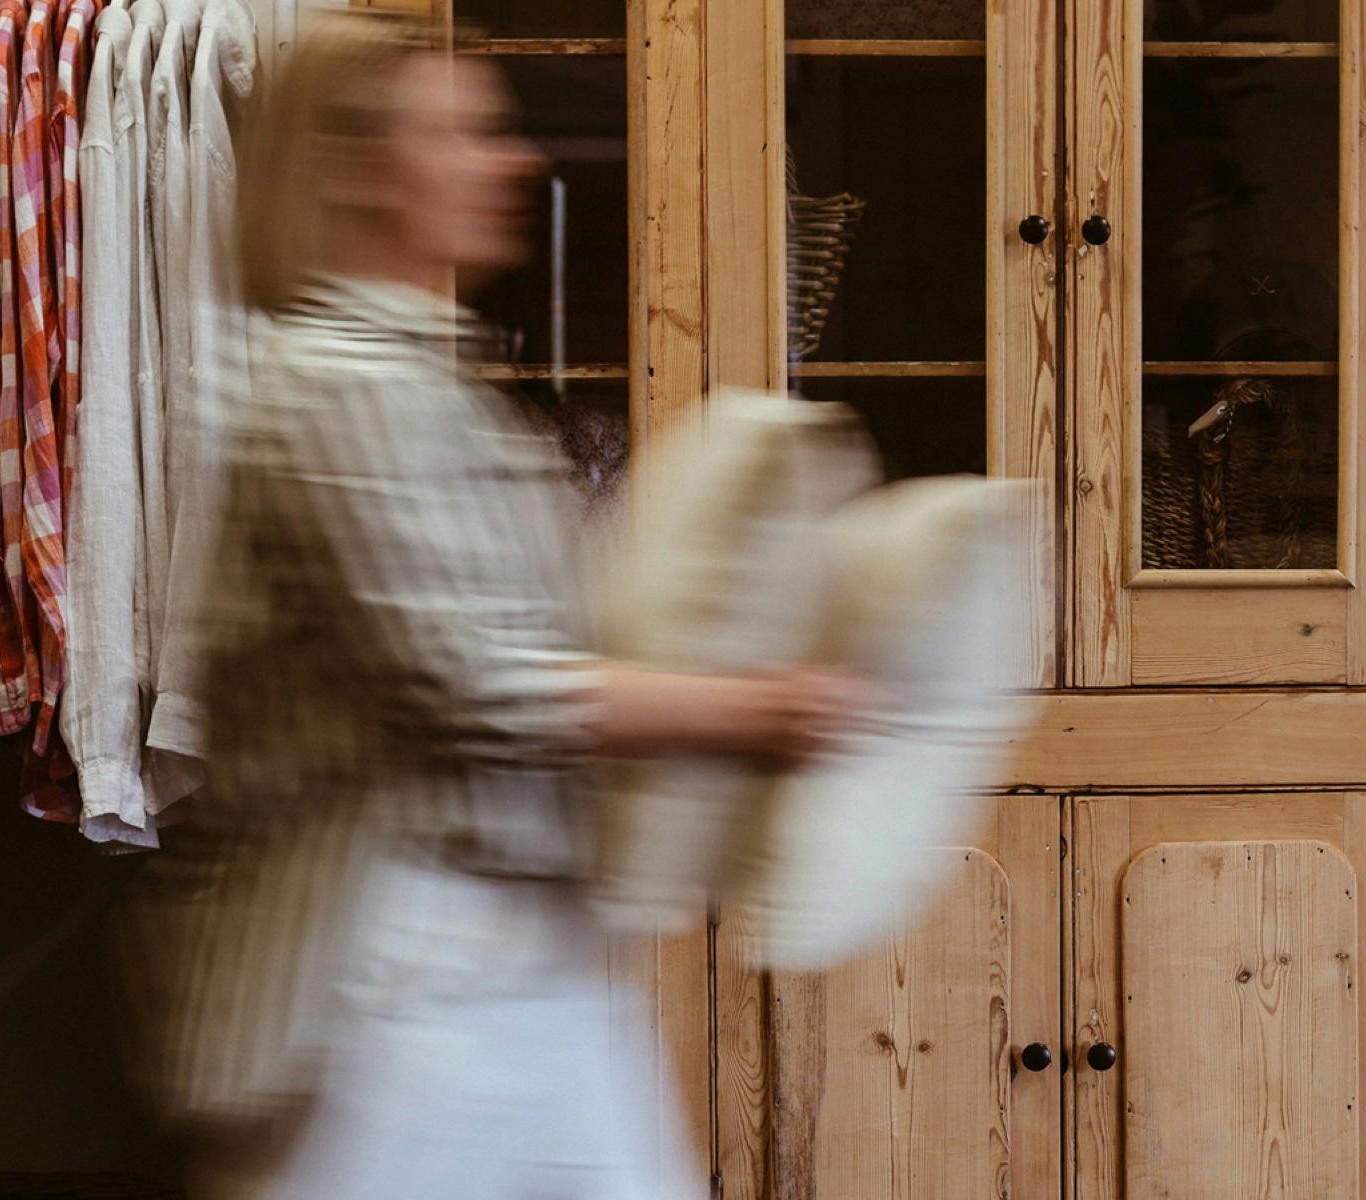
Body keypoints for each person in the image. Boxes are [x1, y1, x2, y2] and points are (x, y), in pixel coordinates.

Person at [123, 11, 863, 1197]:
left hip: (526, 957)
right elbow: (477, 687)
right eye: (465, 137)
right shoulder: (336, 387)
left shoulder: (428, 379)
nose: (514, 162)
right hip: (392, 966)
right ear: (361, 172)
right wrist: (752, 709)